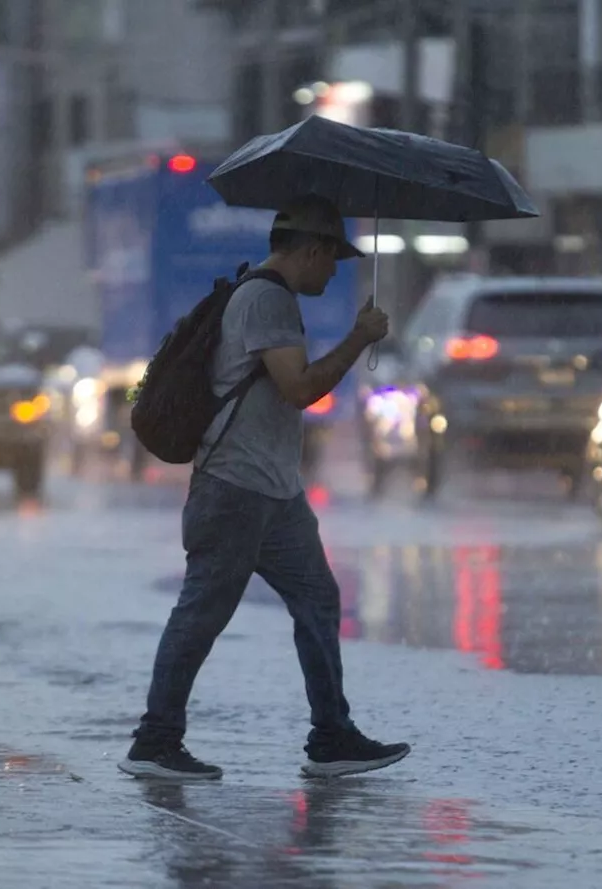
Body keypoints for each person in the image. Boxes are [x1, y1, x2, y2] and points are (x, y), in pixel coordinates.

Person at [119, 195, 411, 781]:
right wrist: (358, 339)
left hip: (274, 493)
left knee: (318, 599)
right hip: (235, 489)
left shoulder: (264, 297)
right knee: (202, 613)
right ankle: (155, 741)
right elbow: (300, 388)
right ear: (311, 250)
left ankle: (332, 737)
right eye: (332, 261)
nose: (334, 273)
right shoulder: (267, 300)